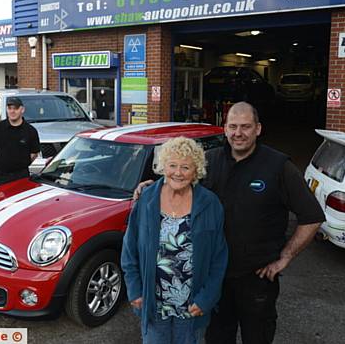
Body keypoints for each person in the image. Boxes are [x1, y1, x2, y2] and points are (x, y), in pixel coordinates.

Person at [134, 102, 325, 344]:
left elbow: (312, 216)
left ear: (258, 129)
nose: (238, 133)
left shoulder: (278, 167)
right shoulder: (210, 162)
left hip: (256, 280)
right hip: (214, 279)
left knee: (257, 337)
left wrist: (285, 257)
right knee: (217, 337)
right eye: (233, 126)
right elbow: (179, 180)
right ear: (224, 129)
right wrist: (152, 185)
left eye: (245, 127)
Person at [122, 136, 228, 344]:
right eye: (172, 165)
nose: (178, 173)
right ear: (163, 167)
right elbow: (129, 249)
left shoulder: (210, 203)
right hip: (153, 304)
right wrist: (134, 289)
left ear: (196, 171)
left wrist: (206, 299)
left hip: (192, 307)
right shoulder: (147, 199)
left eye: (186, 167)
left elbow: (219, 257)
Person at [0, 96, 40, 185]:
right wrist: (3, 162)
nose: (12, 111)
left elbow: (34, 153)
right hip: (1, 176)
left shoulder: (30, 131)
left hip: (22, 176)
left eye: (16, 108)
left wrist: (21, 164)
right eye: (9, 108)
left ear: (22, 110)